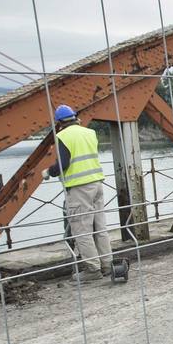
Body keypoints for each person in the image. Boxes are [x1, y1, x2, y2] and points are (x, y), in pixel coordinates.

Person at [46, 105, 112, 283]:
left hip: (79, 188)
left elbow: (63, 164)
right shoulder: (89, 133)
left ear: (59, 122)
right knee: (100, 228)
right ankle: (107, 265)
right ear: (75, 117)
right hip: (96, 184)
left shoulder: (63, 136)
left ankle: (92, 269)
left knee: (82, 230)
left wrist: (49, 172)